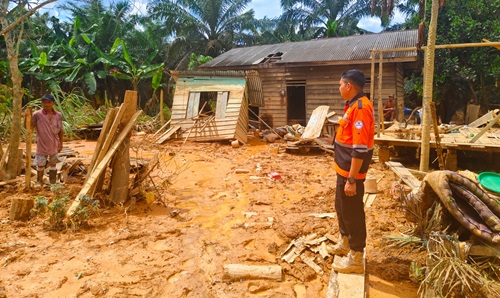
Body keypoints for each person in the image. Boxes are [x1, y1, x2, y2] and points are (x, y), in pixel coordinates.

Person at [330, 69, 374, 274]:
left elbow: (359, 148)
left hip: (351, 174)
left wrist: (352, 179)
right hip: (343, 170)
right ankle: (345, 241)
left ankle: (356, 257)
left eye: (340, 84)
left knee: (353, 213)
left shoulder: (361, 108)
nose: (339, 88)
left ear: (349, 86)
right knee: (341, 207)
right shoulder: (352, 105)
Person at [32, 94, 63, 186]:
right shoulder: (37, 114)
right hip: (42, 143)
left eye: (48, 102)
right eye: (44, 102)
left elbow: (61, 130)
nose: (46, 104)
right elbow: (29, 126)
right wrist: (26, 117)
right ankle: (39, 181)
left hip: (54, 143)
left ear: (53, 103)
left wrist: (61, 143)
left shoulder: (58, 115)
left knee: (53, 164)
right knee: (40, 164)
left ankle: (52, 182)